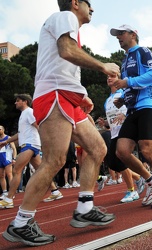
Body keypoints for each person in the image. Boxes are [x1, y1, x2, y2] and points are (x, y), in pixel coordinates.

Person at [2, 1, 120, 246]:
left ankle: (85, 207)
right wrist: (102, 66)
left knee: (98, 148)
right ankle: (21, 223)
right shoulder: (65, 16)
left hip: (66, 96)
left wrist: (82, 94)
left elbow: (63, 62)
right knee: (55, 160)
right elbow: (66, 51)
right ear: (76, 3)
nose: (93, 10)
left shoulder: (67, 25)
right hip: (54, 95)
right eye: (90, 4)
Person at [110, 24, 152, 208]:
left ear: (133, 35)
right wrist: (123, 98)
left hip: (148, 104)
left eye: (121, 33)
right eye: (117, 35)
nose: (118, 37)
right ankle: (151, 182)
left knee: (147, 150)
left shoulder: (143, 51)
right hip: (132, 109)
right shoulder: (124, 61)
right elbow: (130, 85)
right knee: (121, 151)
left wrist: (127, 82)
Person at [0, 94, 63, 209]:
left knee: (16, 170)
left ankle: (9, 199)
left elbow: (38, 125)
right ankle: (55, 191)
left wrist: (46, 141)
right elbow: (20, 134)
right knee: (41, 171)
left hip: (30, 145)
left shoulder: (29, 112)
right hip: (31, 145)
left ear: (25, 102)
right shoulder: (24, 114)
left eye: (18, 101)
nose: (15, 103)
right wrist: (6, 142)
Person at [97, 74, 145, 202]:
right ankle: (138, 177)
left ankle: (132, 191)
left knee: (120, 161)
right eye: (107, 76)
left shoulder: (123, 94)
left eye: (112, 76)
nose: (109, 78)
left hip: (125, 132)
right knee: (112, 163)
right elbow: (112, 120)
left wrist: (124, 115)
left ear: (119, 79)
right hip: (114, 133)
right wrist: (105, 123)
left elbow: (133, 109)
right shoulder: (107, 100)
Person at [0, 125, 17, 199]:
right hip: (0, 158)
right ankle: (4, 192)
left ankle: (11, 192)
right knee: (1, 176)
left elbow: (14, 149)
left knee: (9, 175)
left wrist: (14, 158)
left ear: (3, 130)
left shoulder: (8, 138)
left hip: (7, 158)